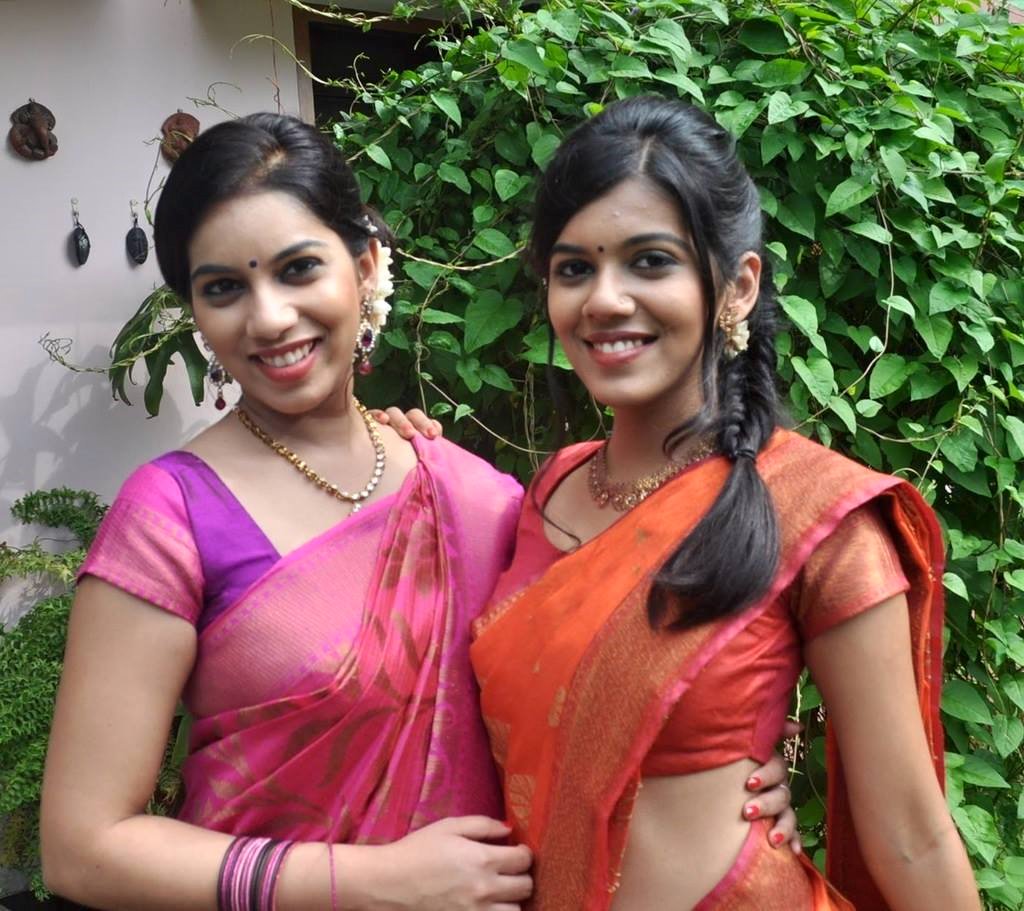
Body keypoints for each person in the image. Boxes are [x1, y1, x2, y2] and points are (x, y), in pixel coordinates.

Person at [39, 112, 794, 911]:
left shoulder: (479, 497)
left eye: (299, 269)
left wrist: (726, 779)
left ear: (366, 265)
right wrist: (368, 883)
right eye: (223, 287)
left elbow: (587, 690)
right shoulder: (171, 514)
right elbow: (83, 847)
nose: (268, 317)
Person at [386, 96, 978, 910]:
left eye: (651, 261)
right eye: (574, 268)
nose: (605, 299)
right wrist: (386, 445)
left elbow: (911, 833)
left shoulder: (814, 512)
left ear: (737, 287)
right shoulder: (548, 488)